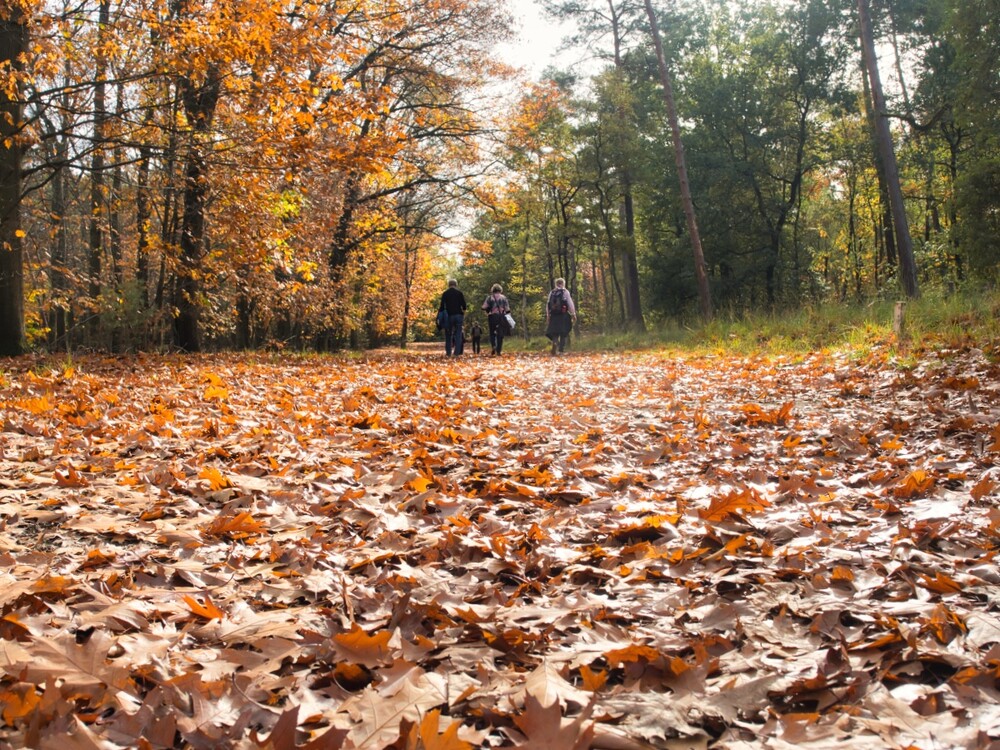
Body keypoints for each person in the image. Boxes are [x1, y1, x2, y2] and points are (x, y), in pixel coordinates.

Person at [545, 278, 577, 355]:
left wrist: (548, 315)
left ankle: (555, 343)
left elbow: (548, 304)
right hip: (563, 315)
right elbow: (570, 303)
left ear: (556, 284)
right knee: (563, 332)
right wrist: (573, 314)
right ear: (563, 283)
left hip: (554, 316)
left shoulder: (552, 292)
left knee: (555, 333)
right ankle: (561, 351)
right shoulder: (565, 292)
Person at [438, 279, 467, 356]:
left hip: (448, 316)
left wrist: (440, 317)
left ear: (449, 285)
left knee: (448, 334)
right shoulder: (459, 293)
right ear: (456, 284)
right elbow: (464, 306)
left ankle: (448, 352)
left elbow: (441, 307)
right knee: (458, 334)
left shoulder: (445, 294)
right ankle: (456, 353)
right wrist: (463, 311)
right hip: (458, 315)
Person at [482, 283, 511, 356]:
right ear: (500, 290)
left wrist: (488, 309)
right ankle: (499, 350)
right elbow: (507, 309)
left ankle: (493, 346)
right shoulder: (503, 298)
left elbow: (484, 307)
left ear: (493, 290)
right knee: (500, 334)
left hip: (492, 317)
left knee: (492, 333)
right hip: (501, 317)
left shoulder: (490, 298)